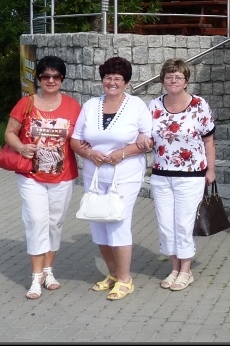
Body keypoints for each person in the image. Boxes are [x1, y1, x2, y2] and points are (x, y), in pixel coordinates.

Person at [70, 56, 152, 301]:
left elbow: (147, 140)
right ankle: (113, 274)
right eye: (108, 78)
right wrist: (88, 153)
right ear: (102, 80)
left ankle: (126, 280)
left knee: (117, 222)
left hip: (125, 175)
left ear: (126, 82)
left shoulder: (137, 105)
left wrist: (123, 153)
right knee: (98, 223)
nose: (112, 82)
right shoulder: (91, 105)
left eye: (117, 78)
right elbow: (75, 139)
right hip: (94, 174)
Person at [4, 55, 82, 300]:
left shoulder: (73, 106)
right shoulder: (26, 103)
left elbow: (80, 138)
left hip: (63, 175)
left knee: (55, 223)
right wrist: (21, 148)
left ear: (62, 79)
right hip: (31, 175)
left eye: (56, 76)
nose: (51, 80)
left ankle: (49, 271)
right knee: (37, 221)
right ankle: (36, 277)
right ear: (38, 78)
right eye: (46, 76)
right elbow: (10, 132)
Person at [147, 59, 216, 291]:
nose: (173, 80)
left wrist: (211, 170)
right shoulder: (154, 105)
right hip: (161, 174)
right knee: (166, 224)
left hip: (191, 174)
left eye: (178, 76)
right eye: (169, 76)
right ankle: (174, 267)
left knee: (184, 223)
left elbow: (209, 140)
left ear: (186, 81)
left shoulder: (199, 105)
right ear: (163, 80)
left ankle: (186, 270)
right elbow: (146, 135)